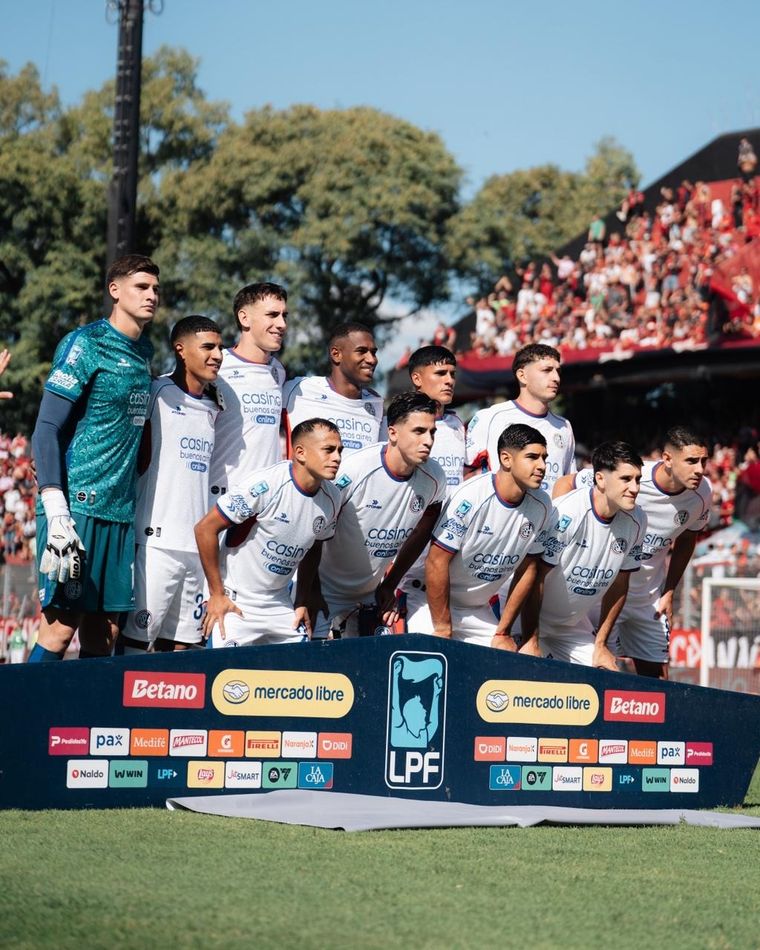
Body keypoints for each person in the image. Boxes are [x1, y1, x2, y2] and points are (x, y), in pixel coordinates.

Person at [29, 254, 159, 660]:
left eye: (156, 288)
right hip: (77, 508)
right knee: (60, 629)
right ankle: (17, 721)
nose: (152, 295)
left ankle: (80, 726)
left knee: (104, 634)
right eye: (141, 287)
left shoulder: (145, 351)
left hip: (119, 512)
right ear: (115, 291)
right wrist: (56, 507)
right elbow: (46, 427)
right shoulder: (85, 343)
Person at [556, 426, 711, 678]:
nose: (700, 469)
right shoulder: (632, 476)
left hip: (646, 598)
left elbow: (687, 538)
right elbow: (566, 483)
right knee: (602, 671)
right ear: (667, 459)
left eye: (704, 461)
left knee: (658, 679)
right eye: (692, 461)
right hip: (604, 593)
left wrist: (670, 590)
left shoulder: (703, 494)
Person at [117, 316, 224, 654]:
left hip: (196, 549)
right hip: (155, 544)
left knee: (183, 650)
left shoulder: (214, 404)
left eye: (220, 347)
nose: (217, 355)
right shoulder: (155, 392)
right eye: (208, 347)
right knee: (135, 646)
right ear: (181, 350)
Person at [195, 419, 342, 646]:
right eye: (329, 450)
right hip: (236, 602)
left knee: (306, 677)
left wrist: (302, 600)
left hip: (280, 603)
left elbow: (315, 544)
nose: (337, 458)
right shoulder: (265, 485)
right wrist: (216, 594)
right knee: (224, 678)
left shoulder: (333, 497)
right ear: (300, 453)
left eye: (339, 451)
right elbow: (205, 528)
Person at [313, 392, 447, 638]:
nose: (428, 440)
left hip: (369, 598)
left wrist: (390, 584)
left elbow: (423, 529)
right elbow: (313, 532)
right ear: (393, 432)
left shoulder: (434, 477)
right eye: (419, 431)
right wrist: (306, 594)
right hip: (321, 592)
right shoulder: (354, 470)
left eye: (432, 432)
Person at [422, 424, 553, 648]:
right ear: (506, 458)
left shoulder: (542, 504)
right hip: (433, 605)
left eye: (544, 458)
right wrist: (443, 627)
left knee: (507, 667)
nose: (542, 466)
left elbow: (528, 569)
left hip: (478, 611)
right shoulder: (470, 496)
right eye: (532, 457)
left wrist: (504, 631)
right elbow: (436, 561)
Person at [522, 441, 646, 669]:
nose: (635, 488)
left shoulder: (637, 520)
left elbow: (620, 585)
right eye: (626, 479)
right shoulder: (566, 512)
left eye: (638, 479)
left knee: (609, 675)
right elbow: (534, 577)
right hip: (526, 622)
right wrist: (531, 638)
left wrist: (601, 644)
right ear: (600, 479)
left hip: (569, 628)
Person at [396, 345, 466, 629]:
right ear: (417, 378)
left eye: (452, 373)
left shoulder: (458, 424)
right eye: (440, 373)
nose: (449, 379)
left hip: (445, 555)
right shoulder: (398, 421)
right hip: (404, 563)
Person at [208, 282, 288, 498]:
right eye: (272, 315)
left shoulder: (278, 371)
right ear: (244, 318)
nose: (281, 324)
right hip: (221, 500)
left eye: (284, 316)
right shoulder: (216, 366)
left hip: (266, 503)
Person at [464, 343, 575, 493]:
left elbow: (568, 483)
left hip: (548, 515)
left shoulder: (564, 426)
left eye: (558, 371)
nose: (556, 378)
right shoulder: (490, 417)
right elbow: (463, 475)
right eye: (547, 370)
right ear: (522, 376)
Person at [282, 322, 384, 459]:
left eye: (373, 352)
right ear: (336, 354)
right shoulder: (298, 389)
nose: (372, 359)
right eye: (361, 351)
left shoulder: (376, 404)